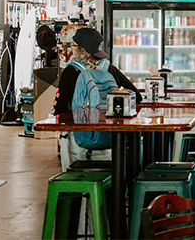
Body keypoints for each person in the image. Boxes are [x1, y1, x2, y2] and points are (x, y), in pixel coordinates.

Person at [53, 27, 142, 168]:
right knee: (106, 176)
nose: (71, 48)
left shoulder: (71, 71)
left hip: (79, 138)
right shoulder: (109, 69)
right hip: (108, 138)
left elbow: (60, 108)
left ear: (81, 49)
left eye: (73, 45)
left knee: (77, 179)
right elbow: (137, 97)